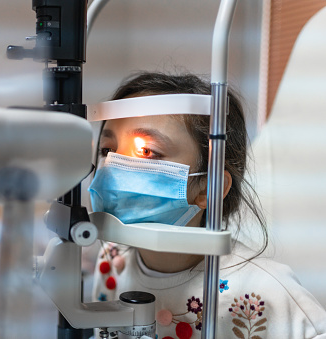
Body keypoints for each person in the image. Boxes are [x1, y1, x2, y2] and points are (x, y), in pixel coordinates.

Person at [89, 72, 326, 338]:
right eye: (108, 150)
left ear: (208, 187)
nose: (113, 168)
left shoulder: (267, 294)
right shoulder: (111, 261)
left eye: (146, 152)